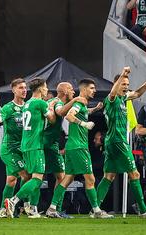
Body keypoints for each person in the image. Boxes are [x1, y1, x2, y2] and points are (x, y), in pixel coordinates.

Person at [96, 66, 146, 218]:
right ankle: (144, 211)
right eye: (123, 84)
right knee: (135, 174)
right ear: (116, 84)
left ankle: (96, 209)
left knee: (109, 176)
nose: (126, 87)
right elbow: (112, 92)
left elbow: (137, 93)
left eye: (127, 84)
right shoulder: (111, 99)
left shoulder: (123, 98)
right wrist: (123, 74)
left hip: (111, 142)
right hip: (118, 141)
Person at [45, 79, 112, 219]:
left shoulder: (81, 103)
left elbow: (81, 111)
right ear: (85, 89)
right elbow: (69, 116)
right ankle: (97, 211)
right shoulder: (78, 101)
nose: (94, 91)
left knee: (68, 178)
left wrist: (95, 109)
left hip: (72, 147)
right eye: (92, 88)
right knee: (90, 178)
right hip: (78, 147)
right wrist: (84, 124)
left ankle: (52, 208)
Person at [4, 78, 56, 218]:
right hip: (35, 145)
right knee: (37, 178)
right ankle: (13, 201)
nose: (46, 90)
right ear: (39, 89)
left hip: (25, 145)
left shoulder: (27, 104)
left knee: (30, 177)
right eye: (45, 88)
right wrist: (51, 106)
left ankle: (32, 208)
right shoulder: (40, 103)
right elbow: (52, 119)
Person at [42, 82, 90, 218]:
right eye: (70, 89)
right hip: (49, 145)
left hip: (48, 143)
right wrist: (75, 100)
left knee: (53, 176)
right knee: (40, 177)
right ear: (63, 91)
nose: (73, 91)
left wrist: (93, 109)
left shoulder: (53, 101)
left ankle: (50, 208)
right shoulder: (57, 102)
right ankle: (48, 209)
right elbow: (61, 112)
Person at [0, 78, 31, 218]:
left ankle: (2, 210)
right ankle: (24, 205)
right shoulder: (8, 107)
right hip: (9, 150)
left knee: (11, 180)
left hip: (22, 150)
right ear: (13, 90)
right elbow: (0, 116)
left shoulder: (28, 106)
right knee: (26, 175)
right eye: (20, 88)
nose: (24, 90)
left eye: (25, 88)